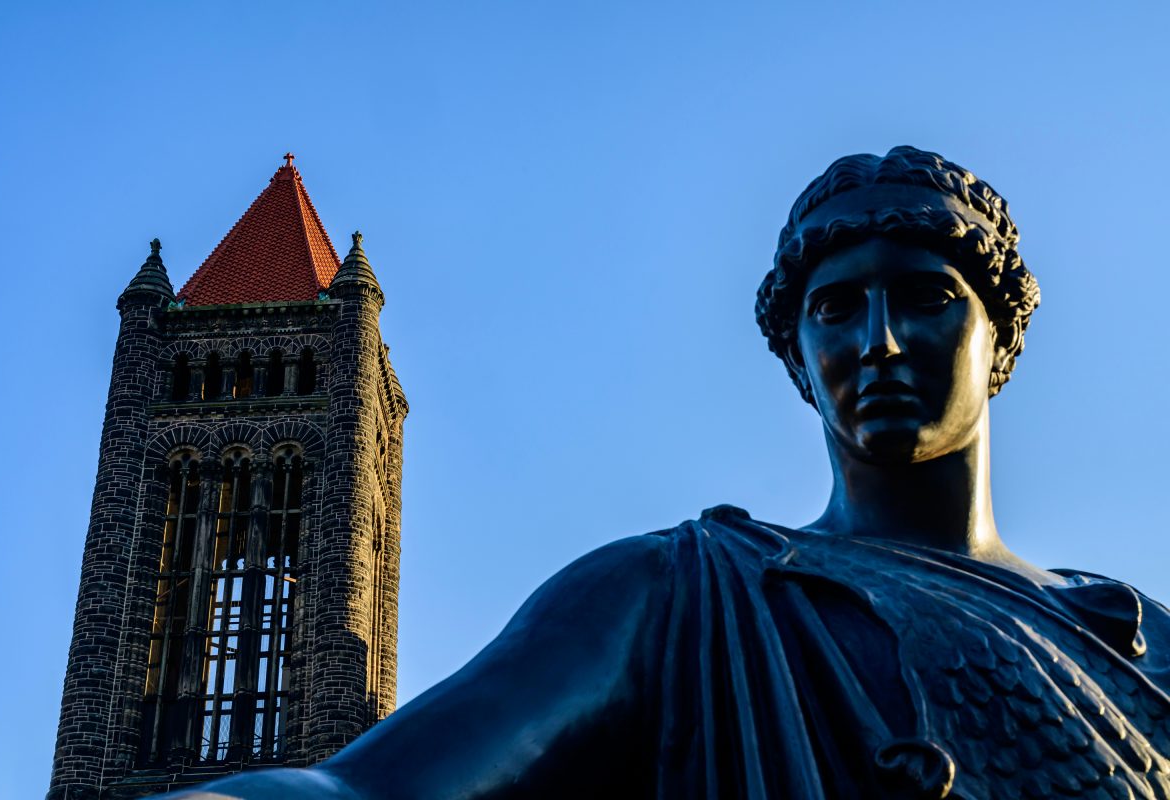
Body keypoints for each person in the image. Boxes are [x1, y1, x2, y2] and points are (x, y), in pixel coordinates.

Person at [170, 146, 1170, 799]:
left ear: (1000, 335)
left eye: (924, 297)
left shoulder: (1139, 639)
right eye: (833, 310)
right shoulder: (680, 590)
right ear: (795, 361)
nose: (878, 342)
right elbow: (369, 790)